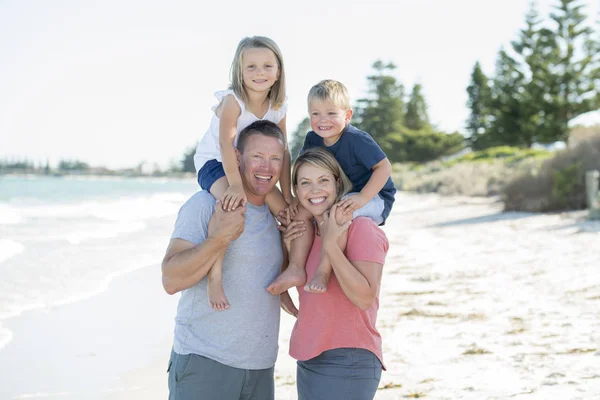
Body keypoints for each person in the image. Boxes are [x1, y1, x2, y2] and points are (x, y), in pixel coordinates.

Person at [162, 120, 297, 400]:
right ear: (237, 157)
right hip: (205, 364)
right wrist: (219, 238)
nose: (266, 168)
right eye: (257, 157)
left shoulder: (279, 215)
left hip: (260, 369)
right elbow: (171, 280)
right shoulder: (205, 205)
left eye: (274, 159)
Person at [267, 79, 395, 295]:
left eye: (331, 113)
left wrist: (363, 198)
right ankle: (295, 267)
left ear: (347, 115)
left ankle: (323, 272)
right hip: (341, 193)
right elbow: (302, 169)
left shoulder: (356, 140)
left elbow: (384, 167)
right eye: (315, 114)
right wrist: (296, 199)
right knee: (301, 212)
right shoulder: (312, 139)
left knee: (337, 213)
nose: (322, 120)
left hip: (375, 197)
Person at [193, 36, 293, 310]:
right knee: (232, 208)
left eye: (266, 66)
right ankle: (215, 276)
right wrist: (235, 185)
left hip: (249, 168)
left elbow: (284, 152)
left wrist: (289, 193)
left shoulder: (278, 107)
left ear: (278, 71)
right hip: (215, 162)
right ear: (239, 71)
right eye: (251, 67)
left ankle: (286, 278)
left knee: (288, 216)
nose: (259, 73)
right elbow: (226, 143)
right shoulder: (233, 101)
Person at [281, 147, 389, 400]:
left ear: (337, 183)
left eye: (323, 180)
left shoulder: (362, 228)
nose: (315, 190)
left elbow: (364, 298)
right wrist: (288, 247)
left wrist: (331, 245)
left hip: (349, 358)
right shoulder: (305, 236)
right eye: (305, 183)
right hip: (308, 355)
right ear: (297, 191)